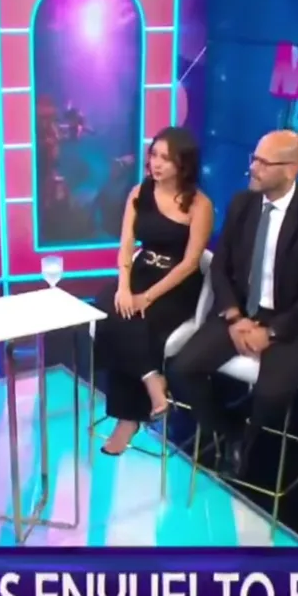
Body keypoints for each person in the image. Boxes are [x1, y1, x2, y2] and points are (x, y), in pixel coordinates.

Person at [169, 130, 298, 478]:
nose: (253, 168)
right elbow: (221, 266)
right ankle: (229, 429)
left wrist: (272, 331)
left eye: (264, 163)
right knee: (182, 368)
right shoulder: (242, 204)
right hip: (244, 311)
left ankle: (247, 437)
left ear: (291, 169)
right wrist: (234, 317)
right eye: (254, 159)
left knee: (271, 394)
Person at [93, 126, 213, 455]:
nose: (156, 164)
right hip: (141, 270)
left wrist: (146, 297)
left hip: (177, 284)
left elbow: (190, 263)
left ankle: (127, 419)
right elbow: (126, 244)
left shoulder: (199, 205)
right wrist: (124, 286)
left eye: (166, 159)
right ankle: (151, 379)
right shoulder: (139, 192)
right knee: (108, 308)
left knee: (136, 320)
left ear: (183, 164)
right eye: (154, 155)